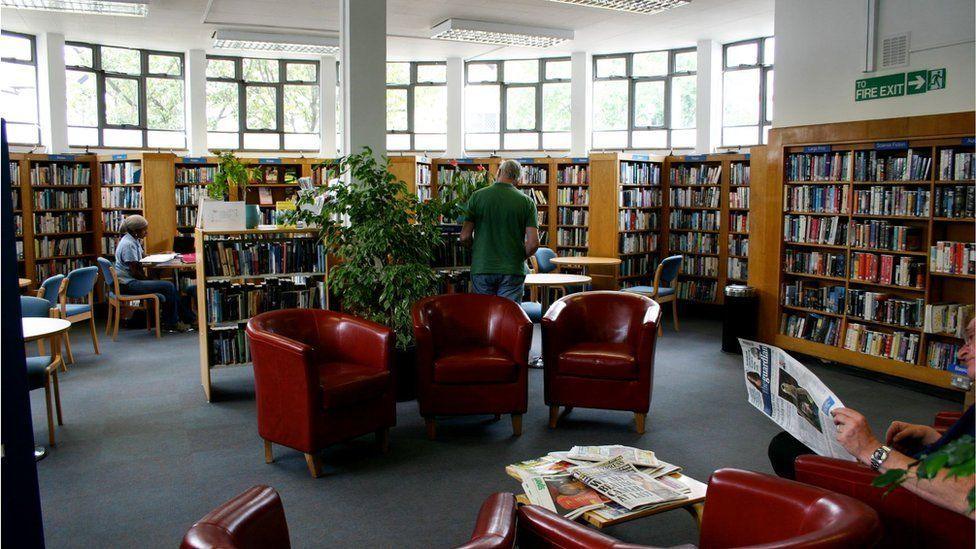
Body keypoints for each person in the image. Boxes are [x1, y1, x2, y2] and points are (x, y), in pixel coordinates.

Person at [768, 317, 976, 517]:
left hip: (916, 501)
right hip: (924, 474)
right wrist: (936, 439)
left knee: (787, 450)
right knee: (792, 442)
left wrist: (872, 450)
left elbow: (968, 496)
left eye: (973, 338)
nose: (961, 352)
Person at [460, 159, 540, 301]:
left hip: (482, 266)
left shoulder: (477, 197)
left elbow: (465, 237)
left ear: (499, 172)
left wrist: (479, 251)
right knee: (508, 318)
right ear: (518, 178)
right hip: (512, 269)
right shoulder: (526, 202)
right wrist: (518, 257)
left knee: (484, 317)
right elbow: (533, 243)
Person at [114, 215, 194, 333]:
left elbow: (142, 256)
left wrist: (163, 254)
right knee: (168, 286)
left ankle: (185, 319)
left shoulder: (132, 240)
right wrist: (150, 280)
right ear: (136, 231)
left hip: (128, 281)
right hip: (128, 283)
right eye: (144, 230)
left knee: (168, 287)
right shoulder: (128, 245)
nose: (146, 232)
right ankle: (173, 323)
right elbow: (135, 271)